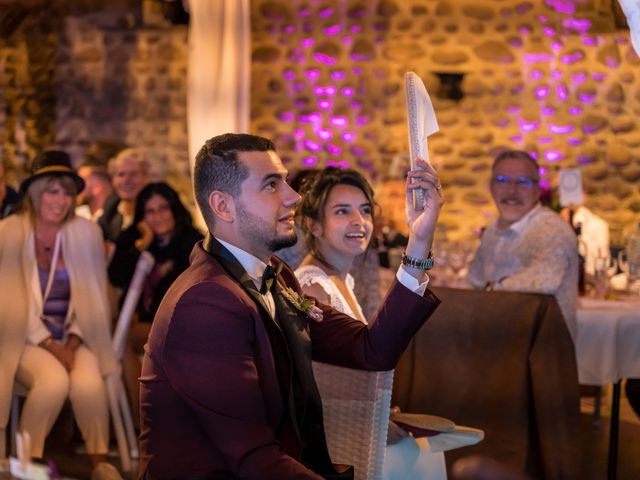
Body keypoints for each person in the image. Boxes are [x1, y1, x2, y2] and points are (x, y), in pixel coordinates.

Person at [139, 133, 444, 479]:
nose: (294, 196)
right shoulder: (204, 303)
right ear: (223, 206)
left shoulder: (276, 276)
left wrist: (419, 241)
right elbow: (254, 460)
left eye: (284, 180)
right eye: (271, 185)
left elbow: (371, 350)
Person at [295, 167, 446, 479]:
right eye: (341, 211)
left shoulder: (340, 281)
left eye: (364, 211)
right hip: (336, 452)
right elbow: (320, 386)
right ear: (314, 225)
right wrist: (370, 418)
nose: (358, 221)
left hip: (356, 432)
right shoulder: (312, 288)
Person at [0, 150, 121, 478]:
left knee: (89, 381)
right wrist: (49, 345)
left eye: (67, 192)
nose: (61, 200)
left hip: (71, 335)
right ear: (36, 194)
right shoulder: (9, 232)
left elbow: (94, 297)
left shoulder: (86, 232)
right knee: (52, 381)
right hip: (23, 337)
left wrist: (71, 340)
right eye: (53, 191)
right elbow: (7, 302)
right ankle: (28, 463)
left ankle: (100, 463)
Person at [108, 182, 202, 424]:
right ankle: (143, 421)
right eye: (150, 211)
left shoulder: (191, 242)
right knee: (117, 344)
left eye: (163, 208)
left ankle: (145, 422)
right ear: (142, 215)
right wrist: (144, 243)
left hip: (181, 325)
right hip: (143, 323)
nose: (158, 216)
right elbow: (116, 275)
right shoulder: (133, 237)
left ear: (174, 209)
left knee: (121, 341)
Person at [466, 150, 578, 339]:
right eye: (502, 180)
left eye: (523, 182)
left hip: (542, 354)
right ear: (491, 187)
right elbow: (473, 281)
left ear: (537, 190)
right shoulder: (492, 231)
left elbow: (546, 278)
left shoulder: (550, 227)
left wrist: (490, 291)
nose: (511, 191)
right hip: (496, 347)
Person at [99, 147, 150, 244]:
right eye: (121, 174)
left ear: (146, 178)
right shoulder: (110, 211)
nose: (126, 181)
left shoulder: (155, 213)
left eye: (133, 174)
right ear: (113, 180)